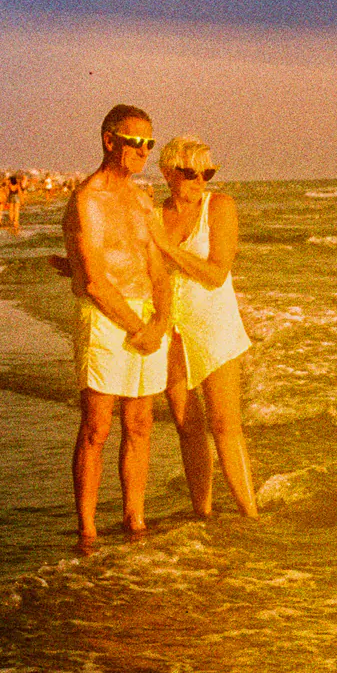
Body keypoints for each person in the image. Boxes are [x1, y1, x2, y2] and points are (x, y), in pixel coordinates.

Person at [62, 104, 172, 542]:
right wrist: (134, 326)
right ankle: (87, 528)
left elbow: (157, 266)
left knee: (141, 422)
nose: (144, 151)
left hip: (145, 314)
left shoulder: (142, 199)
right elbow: (92, 279)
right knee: (97, 425)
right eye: (136, 142)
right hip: (107, 318)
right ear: (110, 141)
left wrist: (160, 319)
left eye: (150, 143)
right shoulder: (88, 199)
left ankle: (134, 517)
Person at [150, 136, 258, 519]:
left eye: (207, 172)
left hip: (213, 327)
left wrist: (168, 249)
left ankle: (250, 514)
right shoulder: (154, 213)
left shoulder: (220, 206)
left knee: (225, 423)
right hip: (169, 329)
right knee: (186, 425)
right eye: (191, 172)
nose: (201, 180)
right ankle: (203, 515)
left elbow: (215, 273)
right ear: (166, 173)